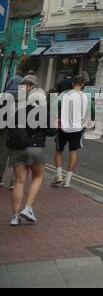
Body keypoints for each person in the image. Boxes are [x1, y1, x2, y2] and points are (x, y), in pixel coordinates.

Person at [7, 75, 48, 225]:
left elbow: (11, 126)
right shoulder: (43, 113)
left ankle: (15, 216)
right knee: (37, 177)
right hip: (36, 149)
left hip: (18, 148)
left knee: (19, 181)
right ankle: (28, 208)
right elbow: (51, 131)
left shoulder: (19, 110)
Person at [53, 74, 89, 189]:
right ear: (83, 84)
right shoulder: (86, 96)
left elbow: (54, 105)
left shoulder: (64, 94)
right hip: (78, 128)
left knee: (59, 151)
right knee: (73, 152)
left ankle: (59, 175)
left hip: (63, 126)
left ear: (73, 84)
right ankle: (68, 180)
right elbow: (92, 110)